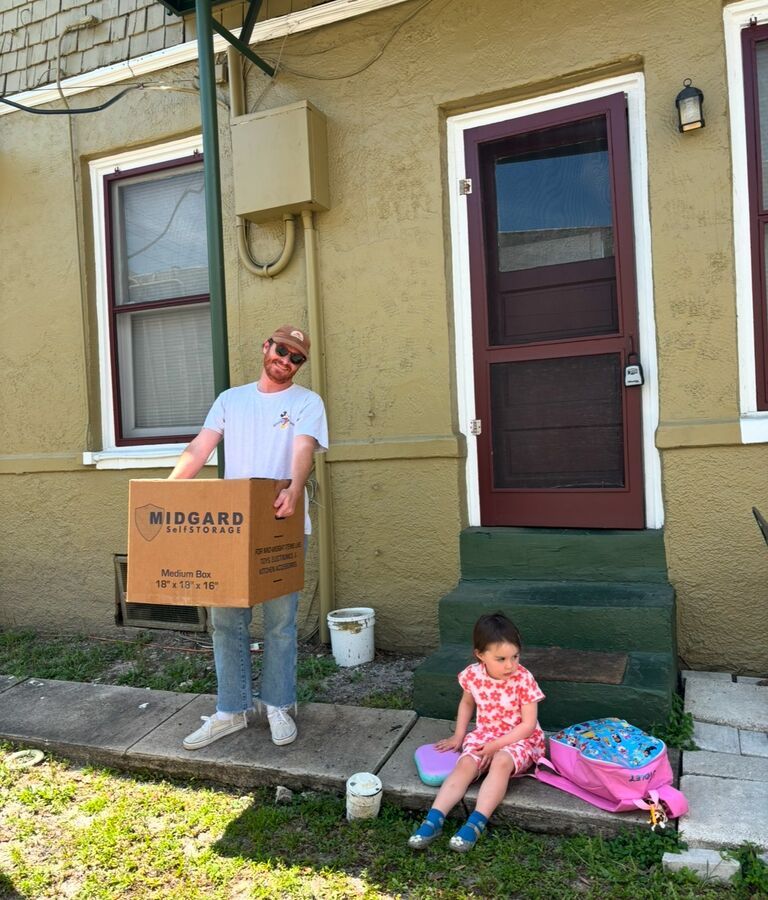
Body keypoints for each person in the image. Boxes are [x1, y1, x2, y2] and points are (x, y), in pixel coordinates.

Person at [168, 325, 328, 751]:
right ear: (266, 348)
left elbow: (303, 450)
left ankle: (278, 704)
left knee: (280, 624)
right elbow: (201, 448)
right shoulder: (230, 400)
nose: (286, 361)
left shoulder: (307, 402)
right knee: (226, 622)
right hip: (230, 528)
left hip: (282, 524)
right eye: (281, 351)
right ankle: (232, 710)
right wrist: (167, 492)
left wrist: (295, 488)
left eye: (296, 358)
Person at [408, 613, 545, 852]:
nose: (510, 665)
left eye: (515, 656)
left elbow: (528, 726)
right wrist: (459, 736)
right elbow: (467, 704)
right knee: (465, 765)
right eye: (501, 658)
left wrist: (497, 746)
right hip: (486, 734)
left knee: (501, 762)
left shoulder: (523, 679)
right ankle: (434, 819)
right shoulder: (473, 675)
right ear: (480, 655)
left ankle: (476, 822)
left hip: (520, 739)